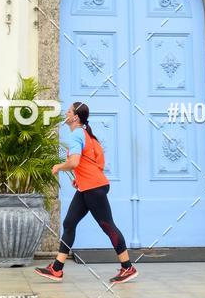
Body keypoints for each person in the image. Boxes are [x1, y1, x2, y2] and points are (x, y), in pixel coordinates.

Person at [35, 101, 138, 284]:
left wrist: (59, 166)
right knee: (69, 223)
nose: (65, 113)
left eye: (68, 111)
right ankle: (57, 269)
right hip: (88, 186)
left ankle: (127, 267)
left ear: (75, 117)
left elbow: (74, 163)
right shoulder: (89, 137)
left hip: (93, 188)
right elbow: (94, 164)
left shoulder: (77, 135)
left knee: (108, 226)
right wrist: (80, 178)